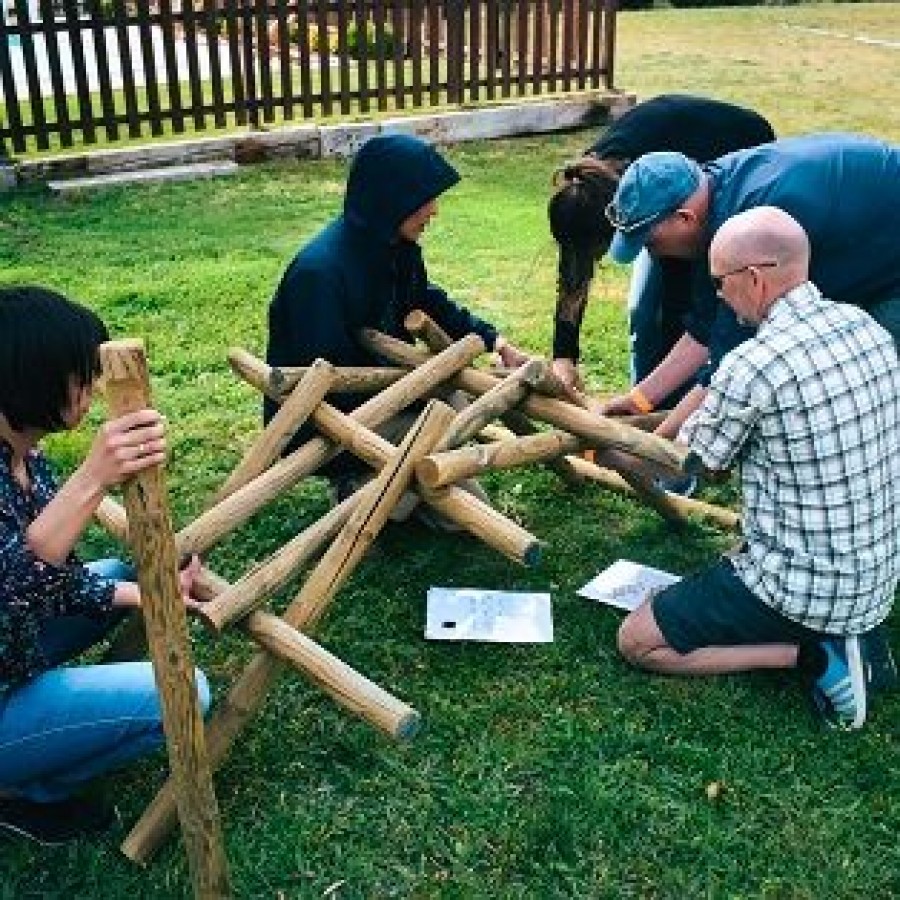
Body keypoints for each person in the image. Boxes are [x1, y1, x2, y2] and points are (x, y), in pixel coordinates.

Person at [614, 207, 899, 730]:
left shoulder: (753, 365)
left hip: (804, 586)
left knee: (638, 640)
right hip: (876, 572)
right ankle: (856, 632)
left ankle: (811, 653)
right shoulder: (866, 326)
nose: (719, 295)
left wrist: (604, 448)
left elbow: (690, 466)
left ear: (754, 279)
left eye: (720, 281)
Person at [0, 286, 210, 846]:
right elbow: (12, 589)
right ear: (32, 376)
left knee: (120, 574)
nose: (93, 389)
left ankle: (33, 745)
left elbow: (51, 582)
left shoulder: (25, 456)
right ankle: (20, 791)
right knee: (187, 694)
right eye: (81, 376)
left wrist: (148, 595)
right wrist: (94, 476)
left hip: (11, 649)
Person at [265, 132, 530, 476]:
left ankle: (390, 487)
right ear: (393, 200)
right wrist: (418, 390)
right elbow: (330, 385)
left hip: (389, 399)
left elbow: (426, 300)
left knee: (451, 409)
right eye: (425, 200)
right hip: (328, 429)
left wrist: (496, 342)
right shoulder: (319, 275)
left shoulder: (392, 247)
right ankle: (358, 483)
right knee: (443, 426)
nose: (434, 210)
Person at [600, 133, 900, 436]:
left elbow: (727, 366)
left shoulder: (752, 224)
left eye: (650, 242)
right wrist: (641, 399)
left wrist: (658, 444)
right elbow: (706, 325)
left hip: (890, 253)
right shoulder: (710, 195)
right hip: (868, 231)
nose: (653, 254)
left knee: (865, 383)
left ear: (684, 218)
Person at [546, 94, 774, 394]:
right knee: (642, 311)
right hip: (670, 197)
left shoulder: (651, 188)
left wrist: (657, 395)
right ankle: (642, 399)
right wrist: (564, 355)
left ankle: (682, 399)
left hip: (735, 154)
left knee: (692, 313)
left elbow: (687, 303)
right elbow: (574, 268)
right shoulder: (584, 188)